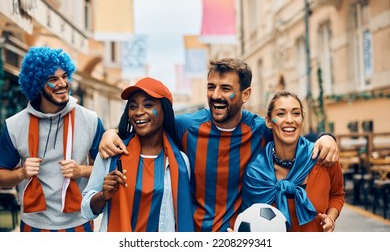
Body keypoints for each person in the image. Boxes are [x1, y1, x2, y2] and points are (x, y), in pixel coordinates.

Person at [98, 58, 339, 232]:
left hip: (240, 234)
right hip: (193, 233)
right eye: (211, 87)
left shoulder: (258, 129)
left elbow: (290, 132)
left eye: (226, 89)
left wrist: (327, 136)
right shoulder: (186, 126)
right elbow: (146, 128)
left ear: (245, 95)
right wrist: (111, 133)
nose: (215, 95)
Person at [0, 46, 105, 232]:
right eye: (53, 79)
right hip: (33, 226)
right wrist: (22, 173)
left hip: (79, 224)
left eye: (65, 76)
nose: (62, 83)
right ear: (37, 83)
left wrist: (81, 170)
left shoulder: (90, 120)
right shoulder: (15, 125)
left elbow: (109, 170)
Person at [81, 77, 194, 232]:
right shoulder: (111, 153)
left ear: (164, 110)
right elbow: (86, 210)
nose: (139, 112)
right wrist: (103, 195)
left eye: (148, 105)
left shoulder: (181, 162)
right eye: (133, 106)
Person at [242, 91, 344, 232]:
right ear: (269, 121)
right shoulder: (255, 172)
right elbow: (249, 220)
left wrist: (331, 218)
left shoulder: (323, 157)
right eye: (281, 114)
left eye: (296, 113)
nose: (289, 120)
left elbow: (337, 194)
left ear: (302, 119)